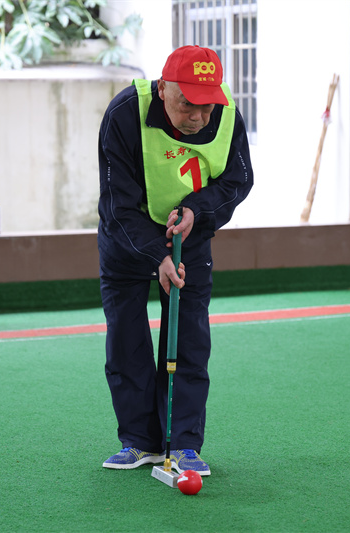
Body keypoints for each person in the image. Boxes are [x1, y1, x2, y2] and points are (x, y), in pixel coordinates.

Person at [97, 45, 254, 476]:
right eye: (187, 104)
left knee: (188, 341)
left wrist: (196, 211)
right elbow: (117, 204)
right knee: (126, 341)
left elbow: (238, 180)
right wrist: (158, 256)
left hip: (189, 238)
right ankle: (140, 442)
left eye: (207, 105)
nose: (198, 117)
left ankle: (184, 444)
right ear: (163, 88)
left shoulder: (226, 115)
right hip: (127, 239)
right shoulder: (124, 114)